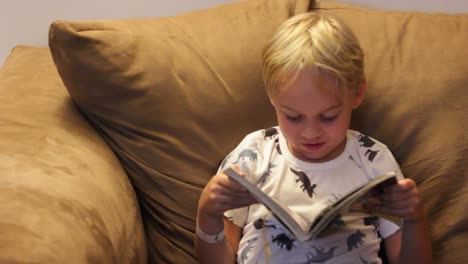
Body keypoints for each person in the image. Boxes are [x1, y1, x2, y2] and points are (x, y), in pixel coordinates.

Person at [195, 12, 432, 264]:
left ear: (357, 92)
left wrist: (414, 219)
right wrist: (207, 214)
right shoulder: (255, 153)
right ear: (272, 97)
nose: (310, 132)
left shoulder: (373, 158)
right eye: (293, 117)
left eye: (328, 116)